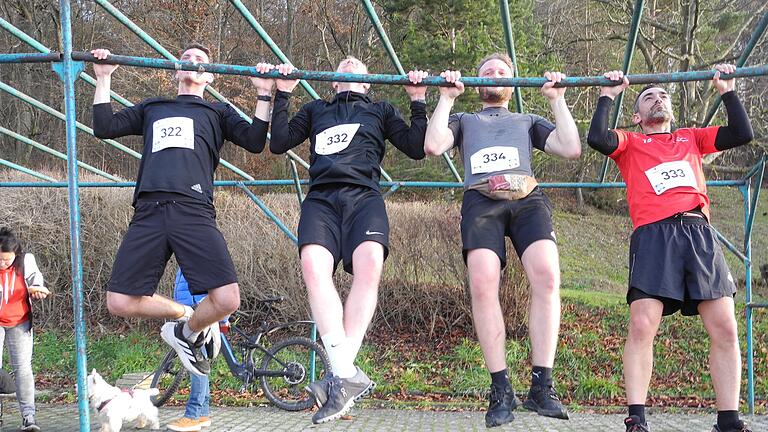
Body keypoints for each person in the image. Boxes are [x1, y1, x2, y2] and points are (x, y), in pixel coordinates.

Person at [587, 65, 753, 432]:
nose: (657, 99)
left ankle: (728, 420)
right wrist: (606, 95)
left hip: (697, 232)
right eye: (648, 97)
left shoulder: (690, 138)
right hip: (653, 235)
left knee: (725, 326)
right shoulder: (630, 143)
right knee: (643, 323)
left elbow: (742, 133)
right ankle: (637, 418)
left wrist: (727, 89)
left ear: (672, 109)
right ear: (637, 115)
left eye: (663, 96)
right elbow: (597, 138)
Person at [90, 44, 272, 377]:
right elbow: (105, 127)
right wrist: (103, 78)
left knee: (228, 300)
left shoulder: (218, 112)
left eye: (200, 61)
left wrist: (263, 94)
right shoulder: (153, 107)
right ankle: (183, 316)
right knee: (119, 301)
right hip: (149, 210)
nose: (192, 63)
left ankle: (185, 334)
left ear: (210, 76)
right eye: (186, 59)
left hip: (193, 210)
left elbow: (256, 140)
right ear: (176, 71)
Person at [266, 57, 428, 424]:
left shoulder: (381, 111)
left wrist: (418, 100)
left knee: (370, 264)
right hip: (321, 199)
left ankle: (338, 377)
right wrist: (283, 95)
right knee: (312, 267)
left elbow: (417, 148)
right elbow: (278, 143)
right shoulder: (316, 110)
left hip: (364, 197)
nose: (351, 64)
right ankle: (346, 376)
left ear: (368, 84)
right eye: (343, 66)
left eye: (358, 67)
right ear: (333, 81)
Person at [423, 53, 581, 428]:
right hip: (481, 199)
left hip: (526, 198)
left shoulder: (526, 120)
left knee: (547, 275)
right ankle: (501, 389)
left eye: (502, 72)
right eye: (487, 72)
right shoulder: (466, 120)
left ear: (512, 85)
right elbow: (432, 145)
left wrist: (557, 100)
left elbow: (570, 148)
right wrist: (446, 98)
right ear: (478, 84)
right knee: (482, 281)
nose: (494, 75)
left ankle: (542, 384)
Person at [0, 227, 51, 431]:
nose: (3, 263)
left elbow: (36, 281)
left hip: (19, 321)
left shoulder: (25, 261)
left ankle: (28, 417)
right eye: (0, 259)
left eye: (7, 260)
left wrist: (38, 291)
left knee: (22, 369)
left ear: (16, 254)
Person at [166, 270, 228, 432]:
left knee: (197, 367)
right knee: (201, 364)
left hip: (198, 314)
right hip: (190, 313)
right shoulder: (186, 255)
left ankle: (192, 416)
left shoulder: (196, 253)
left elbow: (221, 285)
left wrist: (222, 318)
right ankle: (202, 414)